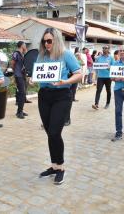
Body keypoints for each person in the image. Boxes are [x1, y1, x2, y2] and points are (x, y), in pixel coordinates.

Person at [36, 28, 82, 185]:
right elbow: (37, 74)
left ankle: (61, 167)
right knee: (50, 132)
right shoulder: (41, 55)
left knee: (55, 132)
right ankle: (54, 165)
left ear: (56, 40)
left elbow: (78, 73)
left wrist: (66, 81)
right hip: (44, 95)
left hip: (61, 96)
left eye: (49, 41)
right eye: (44, 41)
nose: (47, 44)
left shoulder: (66, 54)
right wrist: (32, 79)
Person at [92, 45, 114, 110]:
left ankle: (107, 103)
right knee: (98, 90)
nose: (104, 49)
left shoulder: (111, 58)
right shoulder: (98, 58)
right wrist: (95, 76)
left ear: (108, 49)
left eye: (105, 48)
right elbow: (95, 66)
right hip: (100, 77)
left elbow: (114, 67)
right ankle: (96, 104)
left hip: (108, 77)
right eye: (103, 48)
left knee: (108, 90)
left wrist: (110, 68)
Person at [11, 41, 28, 119]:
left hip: (22, 75)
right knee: (22, 93)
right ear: (21, 45)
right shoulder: (16, 53)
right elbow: (12, 63)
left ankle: (20, 110)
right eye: (24, 44)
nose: (25, 45)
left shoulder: (22, 54)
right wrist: (14, 74)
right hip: (18, 75)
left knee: (23, 93)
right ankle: (19, 112)